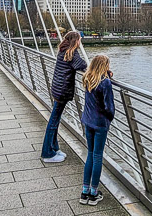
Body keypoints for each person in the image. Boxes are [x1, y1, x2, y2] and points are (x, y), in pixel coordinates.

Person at [41, 31, 86, 163]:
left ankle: (54, 148)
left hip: (57, 88)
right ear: (75, 41)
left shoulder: (63, 50)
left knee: (55, 119)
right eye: (79, 40)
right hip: (62, 91)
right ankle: (47, 154)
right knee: (53, 121)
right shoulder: (71, 53)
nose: (80, 42)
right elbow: (82, 65)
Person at [79, 55, 114, 206]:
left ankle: (84, 192)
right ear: (105, 66)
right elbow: (109, 106)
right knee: (98, 156)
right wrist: (109, 118)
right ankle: (94, 194)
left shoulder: (87, 78)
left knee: (90, 154)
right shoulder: (105, 83)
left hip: (88, 121)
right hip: (100, 123)